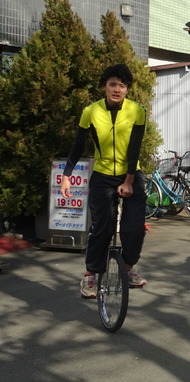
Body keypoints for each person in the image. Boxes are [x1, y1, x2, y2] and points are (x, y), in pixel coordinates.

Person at [61, 63, 148, 298]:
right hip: (102, 175)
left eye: (122, 85)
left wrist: (129, 181)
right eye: (112, 84)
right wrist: (66, 176)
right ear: (104, 87)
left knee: (134, 228)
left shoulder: (137, 111)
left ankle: (128, 268)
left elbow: (135, 148)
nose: (117, 89)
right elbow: (78, 145)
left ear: (128, 89)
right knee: (102, 226)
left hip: (131, 172)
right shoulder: (91, 112)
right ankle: (90, 275)